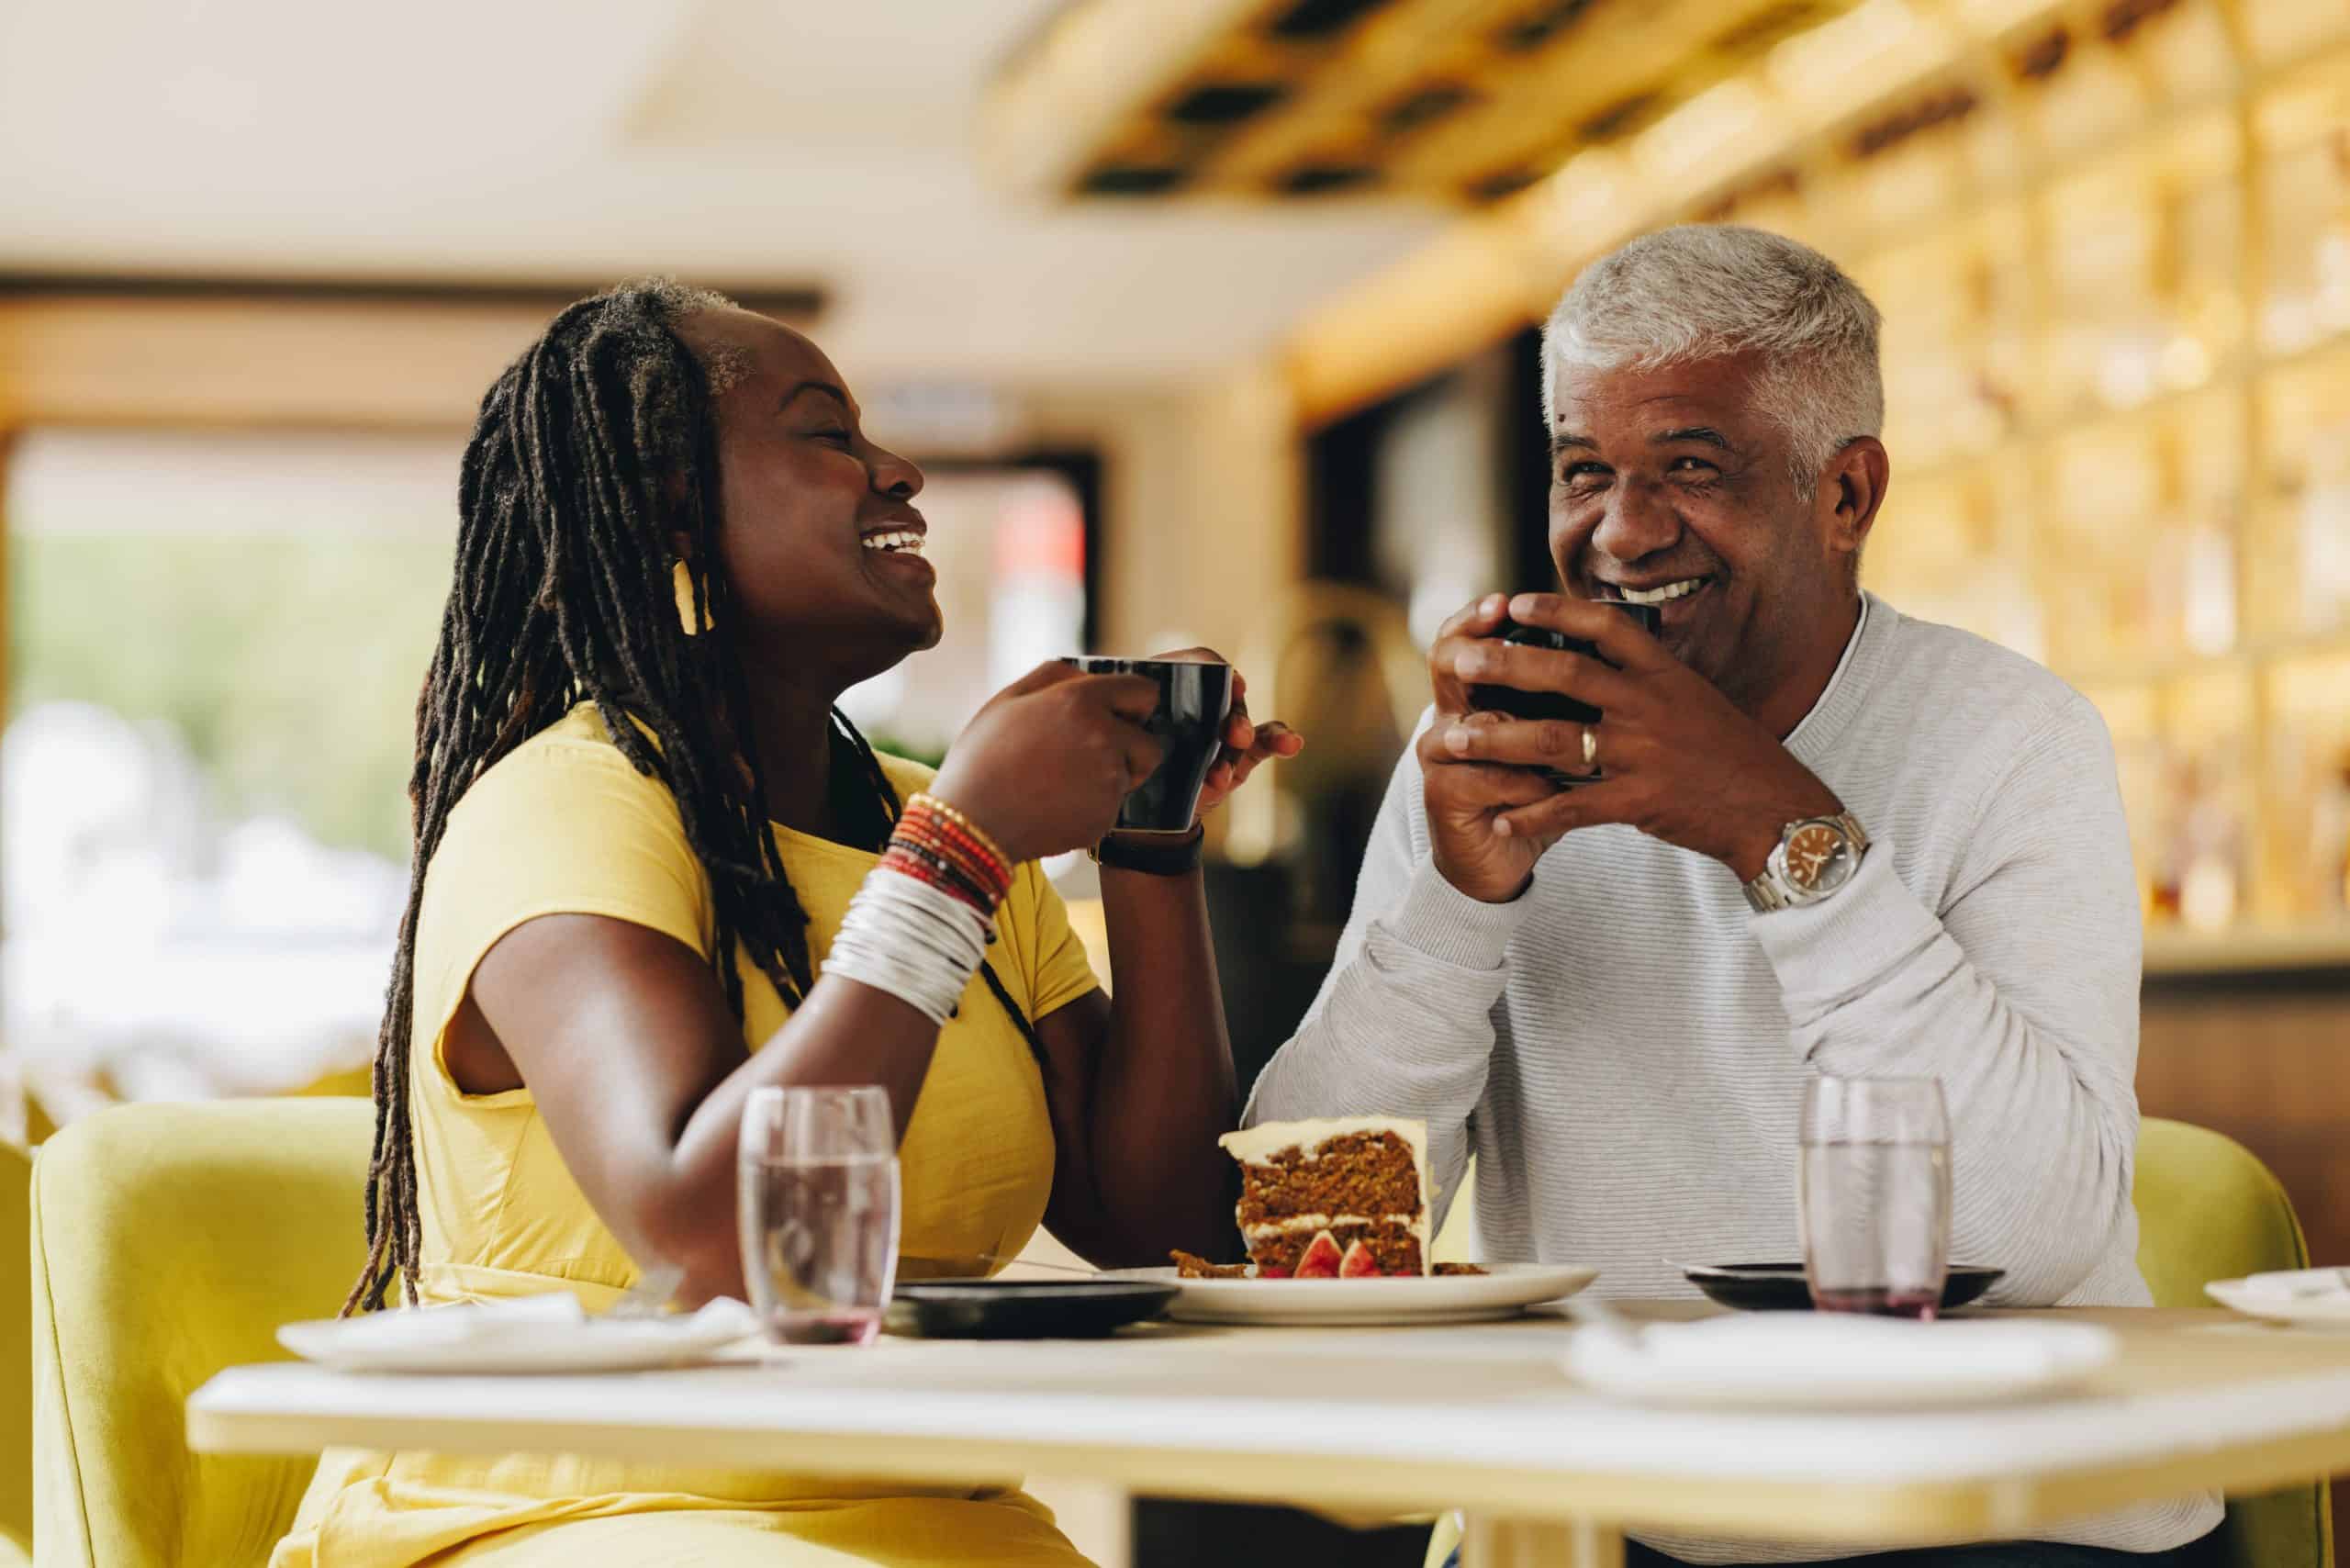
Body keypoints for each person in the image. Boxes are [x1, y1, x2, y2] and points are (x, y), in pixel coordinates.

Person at [272, 279, 1298, 1568]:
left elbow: (1166, 1232)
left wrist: (1153, 843)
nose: (899, 472)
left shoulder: (933, 828)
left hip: (925, 1514)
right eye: (829, 435)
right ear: (670, 507)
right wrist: (959, 852)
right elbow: (716, 1242)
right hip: (570, 1510)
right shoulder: (568, 805)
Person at [1245, 225, 2219, 1567]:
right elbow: (1309, 1221)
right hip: (1622, 1520)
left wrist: (1776, 826)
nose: (1624, 532)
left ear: (1847, 497)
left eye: (1691, 471)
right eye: (1585, 473)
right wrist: (1454, 905)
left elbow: (2023, 1235)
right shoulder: (1486, 761)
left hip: (2003, 1522)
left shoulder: (2010, 738)